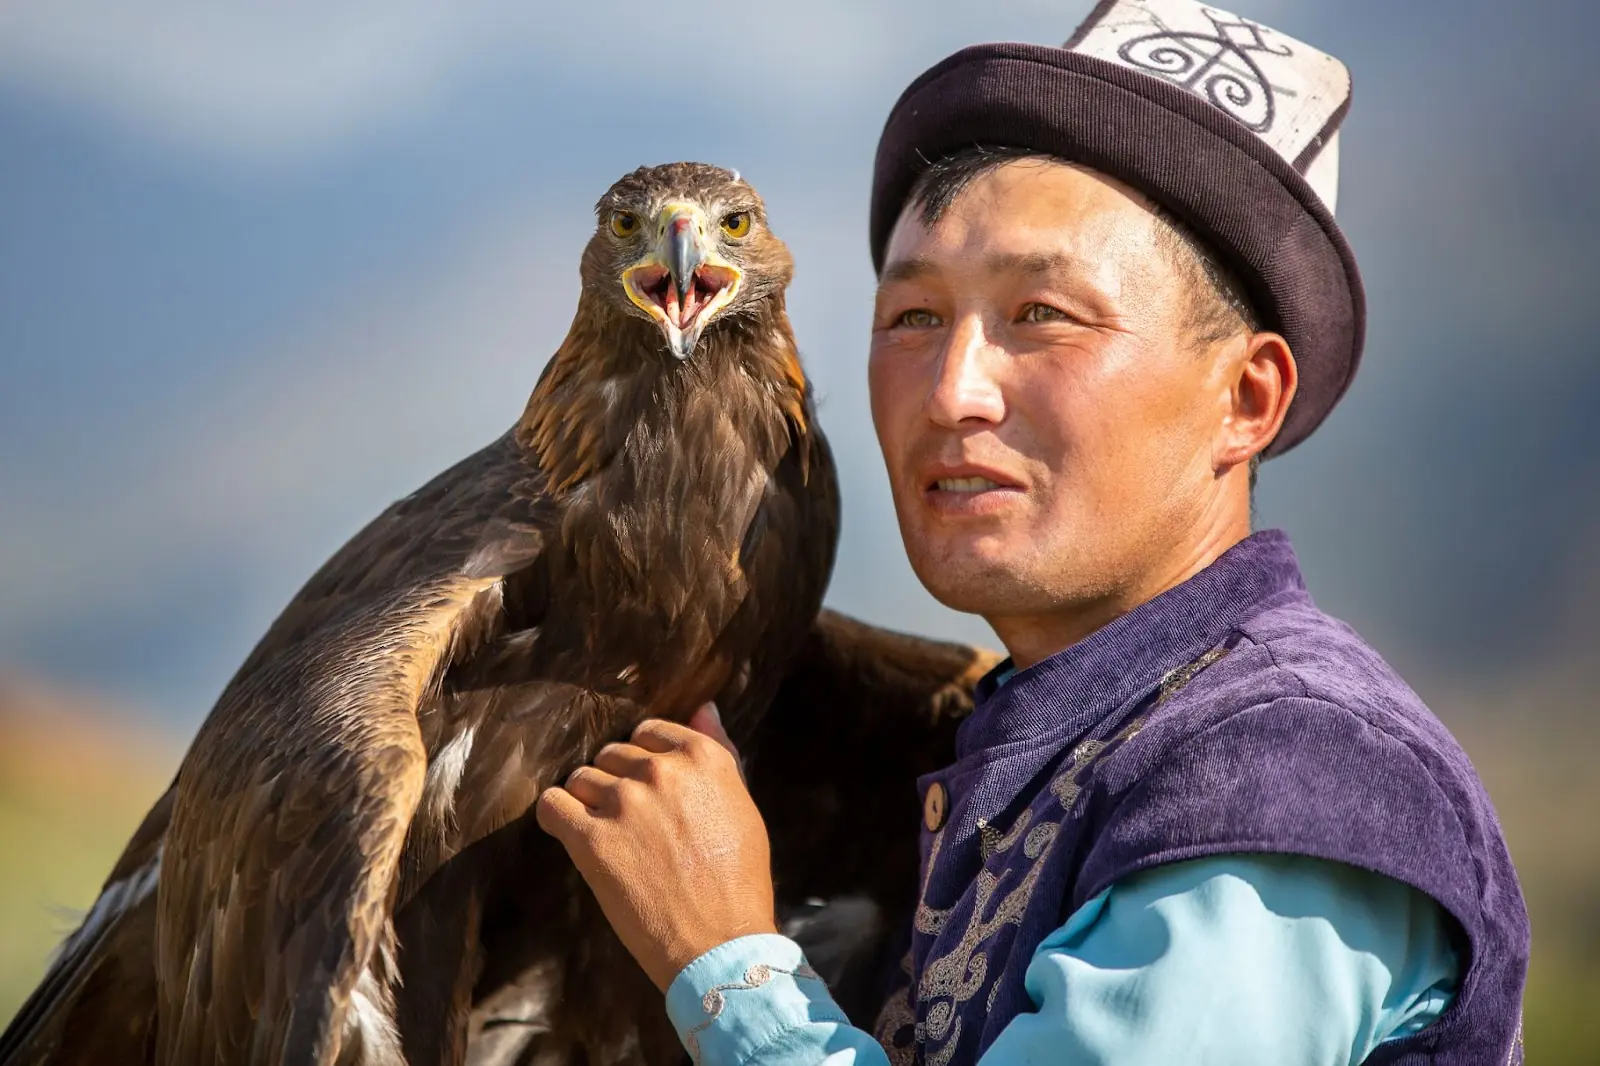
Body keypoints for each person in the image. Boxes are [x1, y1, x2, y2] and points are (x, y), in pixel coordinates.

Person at [534, 2, 1530, 1063]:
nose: (954, 391)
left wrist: (725, 961)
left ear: (1244, 398)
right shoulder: (1049, 741)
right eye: (913, 319)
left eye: (1041, 316)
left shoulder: (1292, 778)